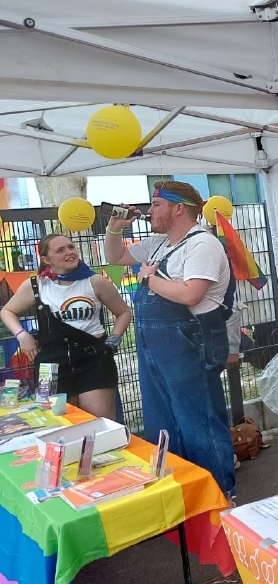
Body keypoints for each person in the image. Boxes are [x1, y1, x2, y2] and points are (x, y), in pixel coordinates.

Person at [103, 181, 235, 498]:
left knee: (198, 422)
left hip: (190, 343)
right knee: (164, 421)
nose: (149, 211)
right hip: (157, 345)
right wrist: (113, 228)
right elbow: (116, 256)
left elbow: (191, 294)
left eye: (155, 205)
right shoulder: (159, 243)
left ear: (178, 208)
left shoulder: (201, 245)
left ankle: (220, 497)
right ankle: (184, 493)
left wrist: (149, 278)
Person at [0, 233, 131, 419]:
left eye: (71, 247)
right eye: (60, 250)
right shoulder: (36, 285)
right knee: (60, 424)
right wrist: (22, 335)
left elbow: (124, 312)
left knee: (100, 425)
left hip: (93, 361)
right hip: (51, 363)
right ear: (46, 259)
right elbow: (7, 311)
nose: (69, 252)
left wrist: (113, 340)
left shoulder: (95, 282)